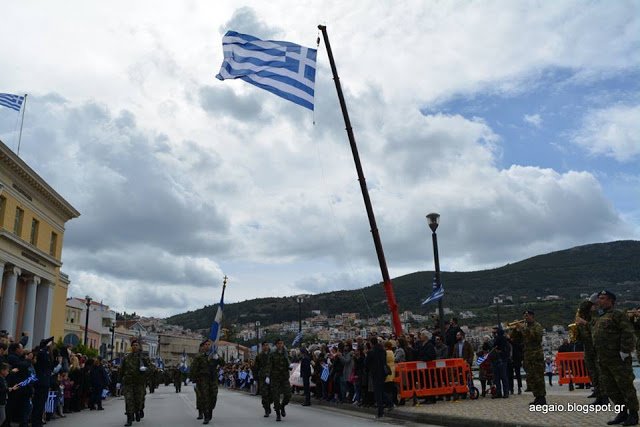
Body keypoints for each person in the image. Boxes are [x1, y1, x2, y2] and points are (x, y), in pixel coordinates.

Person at [589, 290, 638, 426]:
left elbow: (628, 333)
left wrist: (624, 351)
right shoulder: (599, 316)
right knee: (610, 388)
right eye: (599, 298)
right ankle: (622, 413)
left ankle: (633, 414)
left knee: (625, 386)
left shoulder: (618, 314)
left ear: (610, 300)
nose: (600, 301)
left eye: (603, 298)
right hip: (603, 359)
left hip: (618, 359)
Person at [512, 310, 546, 405]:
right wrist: (515, 329)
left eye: (527, 316)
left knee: (538, 377)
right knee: (531, 378)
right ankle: (537, 396)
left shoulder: (537, 326)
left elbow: (537, 338)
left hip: (536, 355)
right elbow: (515, 338)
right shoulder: (525, 327)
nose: (525, 318)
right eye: (524, 316)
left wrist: (523, 328)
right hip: (527, 356)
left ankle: (542, 397)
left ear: (532, 316)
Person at [190, 339, 225, 424]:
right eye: (206, 344)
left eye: (209, 344)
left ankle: (210, 410)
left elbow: (223, 364)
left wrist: (218, 358)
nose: (207, 346)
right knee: (205, 397)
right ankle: (206, 416)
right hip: (203, 380)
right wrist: (193, 380)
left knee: (213, 397)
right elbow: (194, 369)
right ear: (203, 346)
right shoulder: (199, 357)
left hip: (213, 380)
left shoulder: (214, 356)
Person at [117, 338, 150, 426]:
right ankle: (129, 418)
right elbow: (122, 370)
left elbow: (151, 369)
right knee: (128, 400)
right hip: (128, 383)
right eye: (133, 345)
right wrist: (119, 381)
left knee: (138, 400)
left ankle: (138, 411)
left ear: (139, 347)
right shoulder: (127, 358)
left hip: (139, 383)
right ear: (131, 347)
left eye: (136, 345)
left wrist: (145, 369)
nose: (135, 347)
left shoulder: (144, 358)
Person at [265, 339, 291, 422]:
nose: (280, 345)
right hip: (275, 378)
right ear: (276, 345)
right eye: (278, 343)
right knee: (276, 397)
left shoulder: (285, 353)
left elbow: (289, 362)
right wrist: (267, 376)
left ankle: (282, 406)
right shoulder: (272, 354)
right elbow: (269, 365)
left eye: (281, 343)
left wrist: (291, 366)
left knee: (288, 395)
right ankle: (278, 414)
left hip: (284, 377)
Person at [365, 336, 386, 419]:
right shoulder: (382, 350)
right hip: (382, 372)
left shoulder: (371, 352)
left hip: (375, 373)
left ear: (371, 343)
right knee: (382, 390)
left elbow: (366, 363)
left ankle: (380, 412)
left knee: (378, 393)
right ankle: (388, 404)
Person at [253, 342, 272, 417]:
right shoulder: (259, 356)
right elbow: (256, 367)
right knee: (264, 394)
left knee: (272, 394)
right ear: (262, 347)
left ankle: (269, 404)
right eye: (264, 345)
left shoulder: (272, 354)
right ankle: (266, 409)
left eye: (267, 345)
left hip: (271, 375)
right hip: (262, 376)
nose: (265, 347)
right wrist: (255, 378)